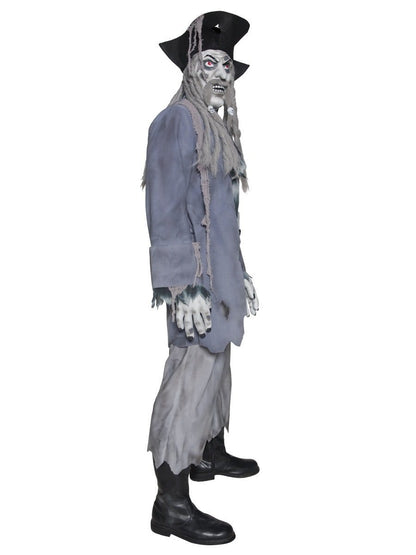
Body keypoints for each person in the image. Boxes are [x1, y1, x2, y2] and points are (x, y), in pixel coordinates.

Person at [142, 11, 259, 545]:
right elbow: (164, 210)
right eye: (209, 62)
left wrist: (242, 271)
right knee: (190, 376)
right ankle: (170, 503)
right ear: (190, 68)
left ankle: (208, 452)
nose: (220, 73)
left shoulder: (218, 129)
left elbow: (224, 215)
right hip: (195, 280)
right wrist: (181, 286)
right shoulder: (177, 122)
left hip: (222, 275)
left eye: (227, 66)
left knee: (217, 369)